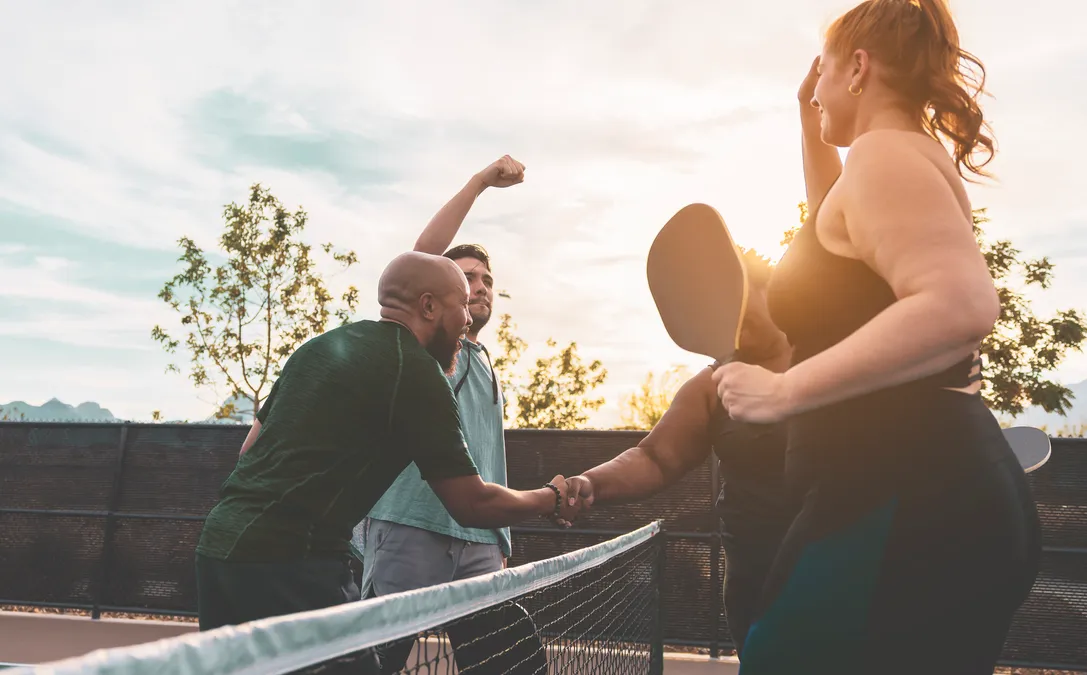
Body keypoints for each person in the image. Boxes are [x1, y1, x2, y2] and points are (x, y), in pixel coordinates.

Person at [709, 1, 1040, 672]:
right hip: (912, 490)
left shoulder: (884, 156)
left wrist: (781, 391)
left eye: (824, 71)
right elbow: (840, 255)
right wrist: (811, 126)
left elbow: (962, 303)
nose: (818, 87)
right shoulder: (888, 158)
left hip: (905, 498)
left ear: (858, 67)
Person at [194, 251, 576, 673]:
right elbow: (472, 504)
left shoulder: (320, 347)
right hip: (293, 558)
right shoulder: (416, 373)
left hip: (219, 549)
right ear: (429, 307)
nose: (467, 319)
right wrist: (551, 498)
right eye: (460, 305)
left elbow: (250, 450)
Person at [361, 155, 541, 673]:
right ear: (432, 301)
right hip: (407, 528)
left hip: (479, 543)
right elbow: (419, 258)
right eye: (466, 279)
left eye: (485, 279)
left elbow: (489, 460)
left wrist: (498, 539)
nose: (479, 287)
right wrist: (481, 182)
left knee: (504, 664)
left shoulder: (485, 364)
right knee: (375, 661)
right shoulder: (419, 347)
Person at [564, 252, 793, 654]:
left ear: (770, 289)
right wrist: (591, 482)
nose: (732, 326)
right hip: (756, 580)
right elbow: (655, 458)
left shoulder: (835, 355)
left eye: (740, 306)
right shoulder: (710, 385)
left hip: (847, 563)